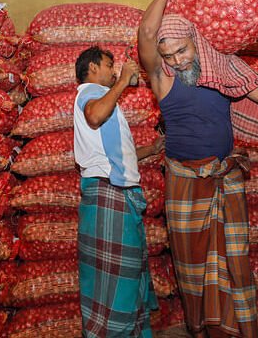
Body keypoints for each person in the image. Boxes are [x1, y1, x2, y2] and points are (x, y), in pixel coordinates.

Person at [138, 0, 258, 338]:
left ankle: (241, 329)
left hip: (225, 180)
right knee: (191, 264)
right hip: (183, 183)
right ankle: (202, 329)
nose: (177, 60)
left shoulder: (224, 70)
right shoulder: (162, 77)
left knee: (235, 261)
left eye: (182, 50)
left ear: (196, 41)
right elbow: (147, 34)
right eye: (169, 55)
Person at [73, 45, 164, 337]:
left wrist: (151, 150)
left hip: (117, 191)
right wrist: (124, 80)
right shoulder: (90, 93)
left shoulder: (105, 98)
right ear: (92, 68)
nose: (113, 71)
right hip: (107, 191)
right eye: (108, 65)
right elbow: (94, 116)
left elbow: (115, 152)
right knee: (116, 283)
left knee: (128, 275)